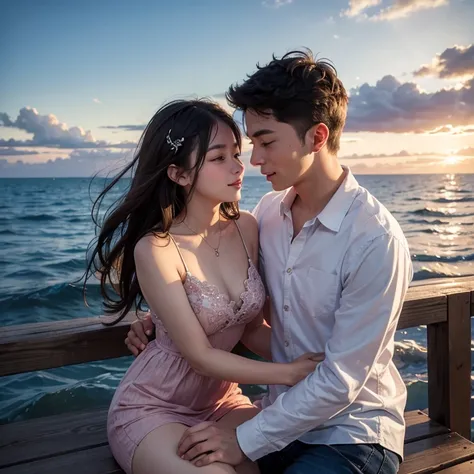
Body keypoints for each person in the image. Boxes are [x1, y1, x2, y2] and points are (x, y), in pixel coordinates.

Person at [126, 50, 413, 474]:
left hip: (349, 431)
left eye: (265, 142)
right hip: (276, 415)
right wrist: (160, 316)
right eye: (250, 144)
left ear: (316, 137)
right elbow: (222, 290)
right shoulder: (266, 215)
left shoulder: (374, 240)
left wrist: (243, 439)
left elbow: (340, 383)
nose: (253, 161)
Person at [85, 98, 323, 474]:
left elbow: (251, 328)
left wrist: (320, 353)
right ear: (178, 174)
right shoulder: (157, 248)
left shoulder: (247, 227)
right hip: (154, 407)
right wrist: (291, 372)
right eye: (218, 158)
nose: (238, 167)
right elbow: (199, 355)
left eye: (236, 153)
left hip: (223, 401)